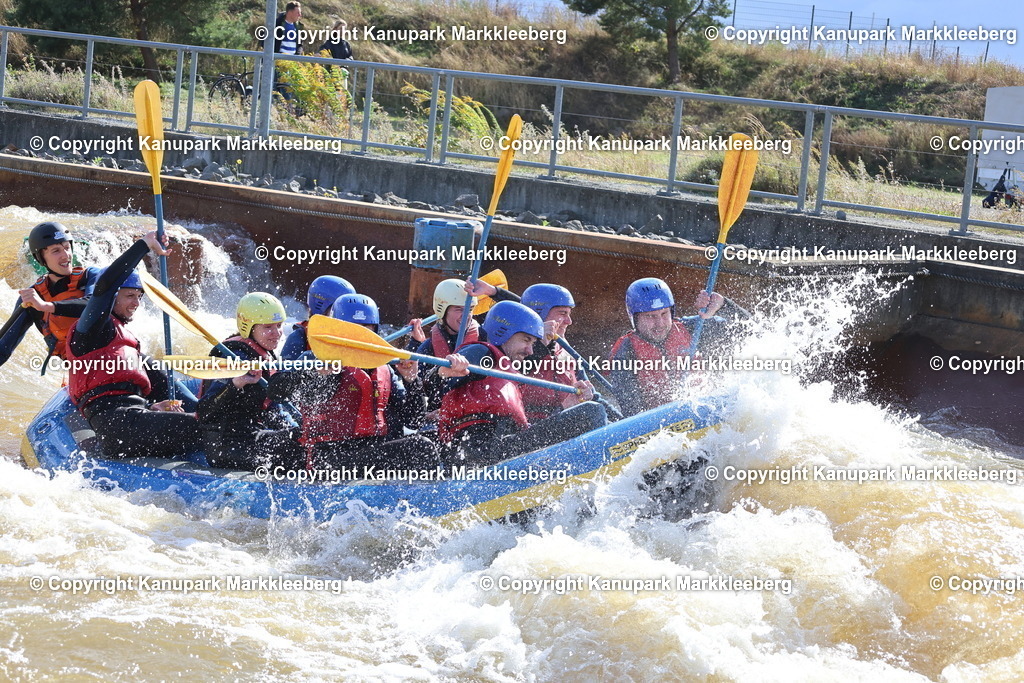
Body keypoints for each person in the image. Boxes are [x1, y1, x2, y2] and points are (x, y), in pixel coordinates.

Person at [65, 231, 202, 459]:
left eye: (139, 296)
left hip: (131, 420)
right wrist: (144, 245)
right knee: (216, 430)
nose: (136, 303)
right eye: (130, 296)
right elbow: (105, 286)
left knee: (212, 420)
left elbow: (152, 389)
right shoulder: (90, 330)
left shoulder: (127, 343)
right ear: (113, 298)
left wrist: (153, 408)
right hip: (116, 426)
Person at [270, 293, 437, 471]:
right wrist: (314, 375)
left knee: (433, 437)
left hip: (370, 450)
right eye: (355, 329)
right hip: (330, 457)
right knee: (421, 447)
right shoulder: (316, 359)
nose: (362, 335)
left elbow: (413, 421)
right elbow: (276, 391)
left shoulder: (384, 367)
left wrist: (412, 381)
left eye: (367, 328)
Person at [438, 301, 606, 464]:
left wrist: (565, 407)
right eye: (526, 340)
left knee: (583, 410)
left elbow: (524, 432)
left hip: (499, 448)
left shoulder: (509, 376)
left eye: (533, 343)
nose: (530, 350)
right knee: (592, 412)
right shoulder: (482, 352)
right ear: (502, 332)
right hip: (477, 451)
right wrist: (444, 372)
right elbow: (437, 383)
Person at [197, 292, 304, 470]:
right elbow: (204, 412)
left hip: (253, 436)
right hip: (227, 446)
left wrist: (297, 429)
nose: (277, 333)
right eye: (268, 327)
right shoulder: (231, 358)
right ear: (249, 328)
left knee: (305, 438)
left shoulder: (264, 353)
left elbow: (272, 407)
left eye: (279, 326)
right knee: (301, 448)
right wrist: (235, 385)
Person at [608, 277, 726, 417]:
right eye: (651, 316)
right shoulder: (625, 352)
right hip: (665, 425)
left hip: (707, 411)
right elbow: (632, 412)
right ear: (635, 318)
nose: (660, 324)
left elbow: (749, 329)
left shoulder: (693, 328)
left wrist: (723, 304)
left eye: (664, 314)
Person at [0, 222, 101, 370]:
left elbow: (93, 306)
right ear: (41, 258)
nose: (66, 255)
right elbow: (4, 348)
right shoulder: (32, 297)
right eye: (56, 251)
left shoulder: (91, 276)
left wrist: (46, 306)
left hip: (112, 359)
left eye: (67, 248)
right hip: (79, 371)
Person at [517, 283, 596, 422]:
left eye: (569, 314)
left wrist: (622, 421)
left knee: (595, 407)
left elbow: (596, 397)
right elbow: (518, 373)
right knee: (592, 411)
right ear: (539, 313)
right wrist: (541, 343)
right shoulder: (516, 349)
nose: (569, 321)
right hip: (527, 431)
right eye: (563, 313)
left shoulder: (564, 349)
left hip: (563, 423)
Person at [281, 275, 356, 360]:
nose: (345, 316)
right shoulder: (299, 337)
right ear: (320, 307)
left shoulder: (351, 335)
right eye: (341, 310)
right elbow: (283, 372)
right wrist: (312, 361)